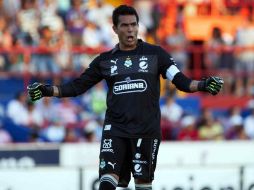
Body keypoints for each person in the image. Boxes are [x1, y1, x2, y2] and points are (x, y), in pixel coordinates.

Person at [27, 5, 224, 190]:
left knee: (143, 184)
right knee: (106, 182)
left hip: (146, 129)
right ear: (115, 28)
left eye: (133, 25)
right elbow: (77, 87)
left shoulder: (156, 54)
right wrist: (47, 90)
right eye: (125, 25)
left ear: (138, 26)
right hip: (116, 129)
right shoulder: (104, 61)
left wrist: (204, 84)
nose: (130, 30)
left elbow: (181, 81)